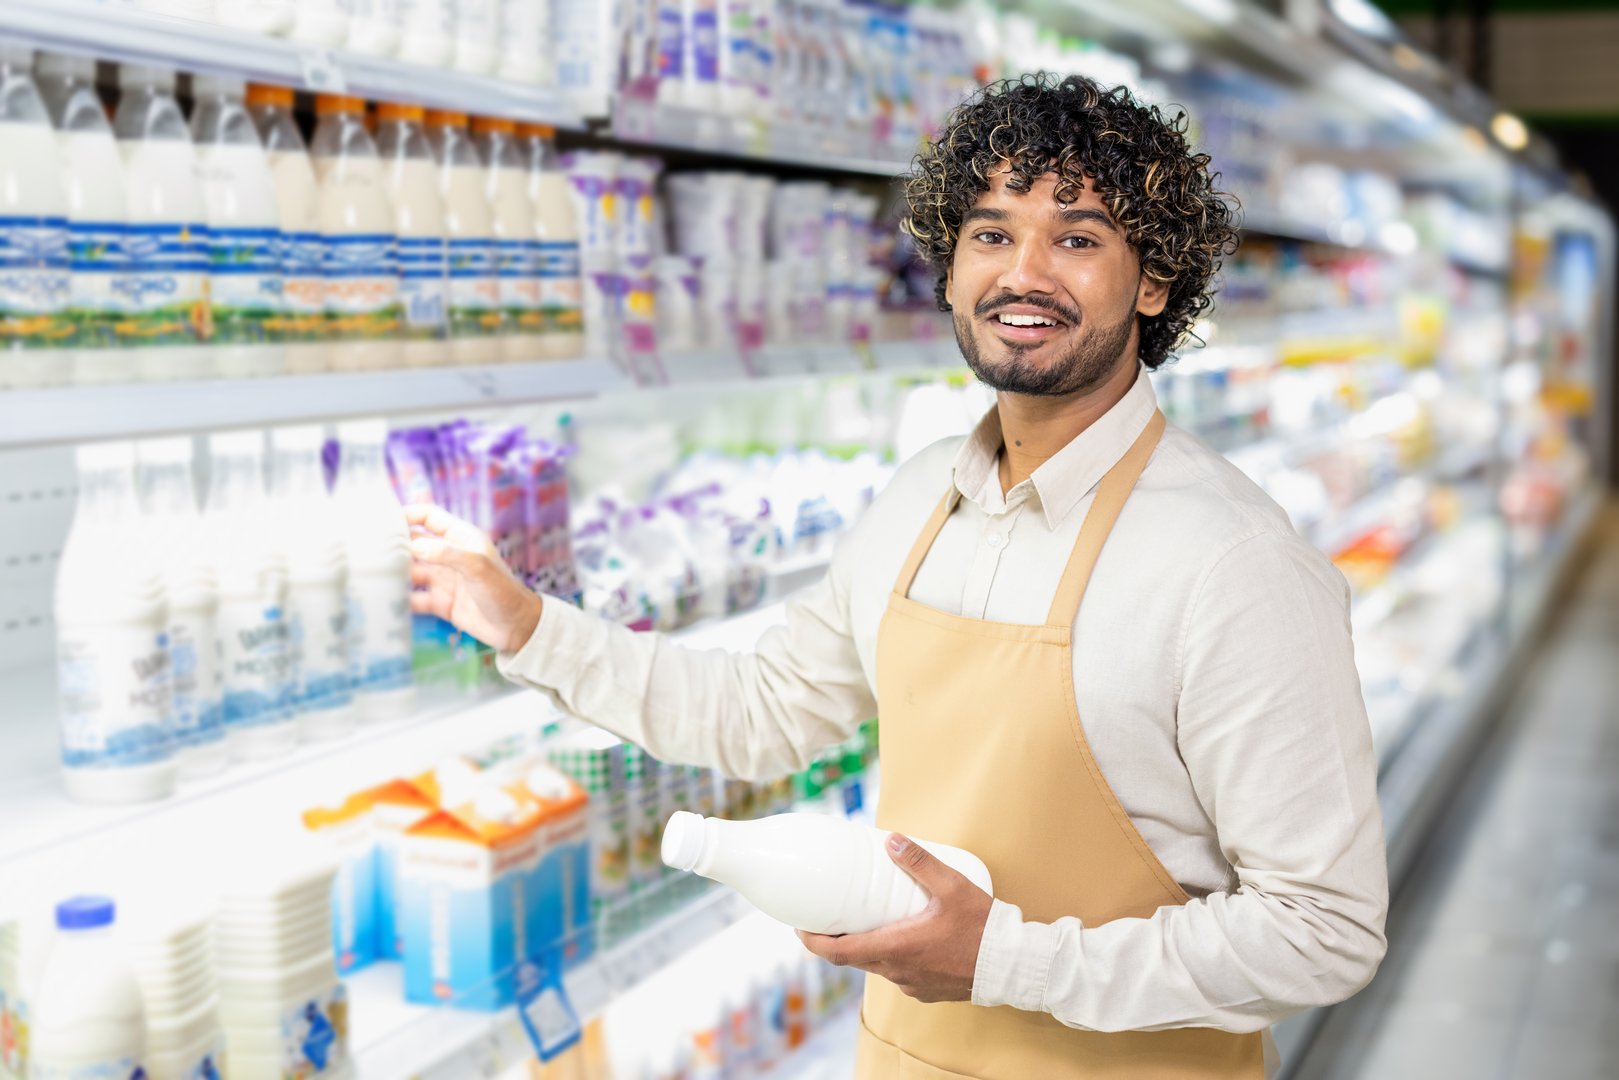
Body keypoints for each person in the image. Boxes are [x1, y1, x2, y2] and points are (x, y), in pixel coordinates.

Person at [406, 73, 1388, 1079]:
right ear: (951, 265)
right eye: (991, 234)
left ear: (1153, 281)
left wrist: (1008, 960)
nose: (1024, 273)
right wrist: (527, 625)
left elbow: (1323, 927)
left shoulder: (1231, 562)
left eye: (1078, 238)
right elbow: (760, 712)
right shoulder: (918, 501)